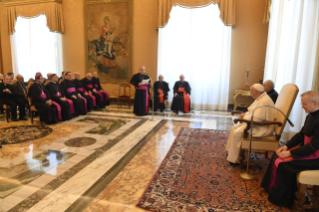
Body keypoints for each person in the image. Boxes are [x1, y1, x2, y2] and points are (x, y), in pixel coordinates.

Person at [261, 91, 319, 207]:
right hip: (308, 150)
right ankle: (271, 188)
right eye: (301, 104)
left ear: (315, 103)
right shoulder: (310, 116)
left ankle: (283, 199)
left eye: (304, 104)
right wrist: (286, 147)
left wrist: (290, 153)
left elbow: (314, 146)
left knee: (284, 164)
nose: (302, 107)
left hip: (315, 157)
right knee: (278, 154)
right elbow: (301, 135)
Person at [226, 84, 276, 165]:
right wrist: (245, 115)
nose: (250, 93)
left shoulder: (264, 101)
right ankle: (231, 153)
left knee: (237, 133)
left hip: (263, 127)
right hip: (257, 124)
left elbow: (257, 118)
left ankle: (238, 159)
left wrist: (244, 116)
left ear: (256, 92)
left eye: (251, 92)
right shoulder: (260, 98)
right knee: (234, 128)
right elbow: (253, 113)